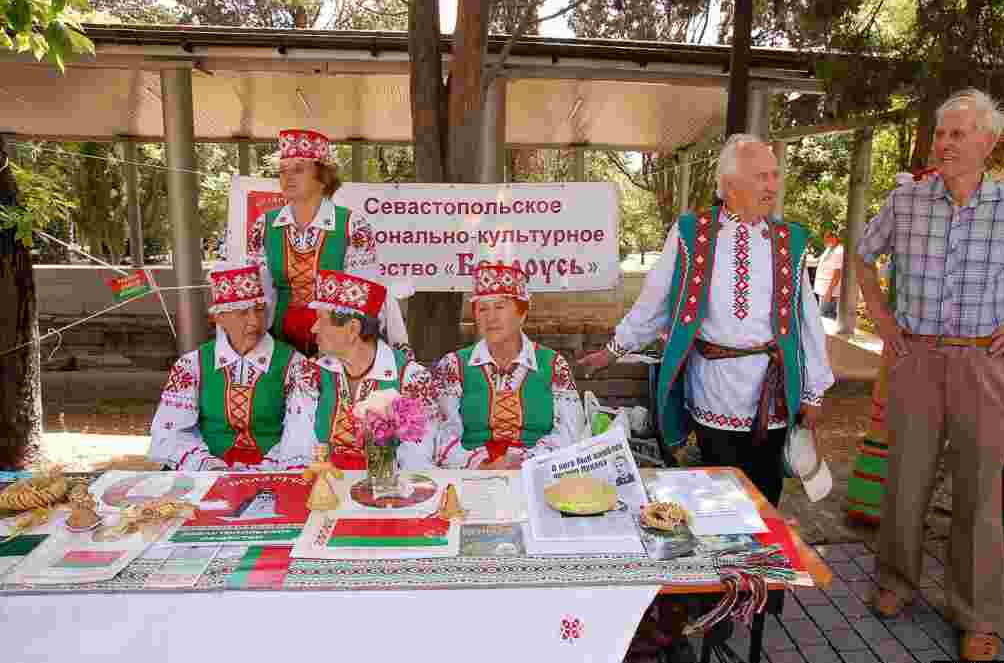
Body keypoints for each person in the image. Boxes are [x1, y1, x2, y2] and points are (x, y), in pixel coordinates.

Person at [855, 89, 1004, 662]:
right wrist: (881, 318)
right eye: (941, 133)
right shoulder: (906, 202)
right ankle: (896, 582)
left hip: (984, 363)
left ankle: (976, 614)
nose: (944, 143)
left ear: (987, 141)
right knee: (907, 481)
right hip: (917, 360)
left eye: (957, 133)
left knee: (979, 495)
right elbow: (862, 254)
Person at [580, 134, 834, 507]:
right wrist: (613, 350)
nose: (772, 185)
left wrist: (814, 391)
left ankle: (760, 562)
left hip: (774, 390)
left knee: (766, 493)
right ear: (730, 185)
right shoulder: (690, 233)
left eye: (774, 175)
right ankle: (725, 560)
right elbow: (656, 300)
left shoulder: (789, 240)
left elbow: (808, 320)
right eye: (761, 176)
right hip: (714, 388)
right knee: (720, 491)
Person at [247, 128, 410, 358]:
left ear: (323, 177)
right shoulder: (264, 225)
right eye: (283, 171)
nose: (287, 177)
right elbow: (258, 293)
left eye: (298, 169)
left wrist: (333, 352)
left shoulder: (352, 225)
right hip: (278, 344)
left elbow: (359, 299)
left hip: (340, 344)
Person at [262, 270, 440, 471]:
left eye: (322, 319)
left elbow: (417, 463)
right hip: (325, 490)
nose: (314, 328)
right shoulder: (310, 373)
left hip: (386, 494)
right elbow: (296, 452)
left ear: (353, 329)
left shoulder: (412, 378)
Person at [149, 261, 317, 471]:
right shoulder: (191, 366)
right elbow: (170, 431)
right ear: (219, 318)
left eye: (259, 310)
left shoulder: (297, 366)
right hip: (206, 477)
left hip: (273, 475)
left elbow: (301, 435)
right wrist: (207, 466)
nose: (254, 321)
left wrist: (260, 472)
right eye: (242, 313)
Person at [434, 262, 585, 469]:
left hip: (538, 473)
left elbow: (570, 433)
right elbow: (442, 436)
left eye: (500, 307)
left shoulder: (553, 364)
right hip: (472, 477)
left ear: (522, 313)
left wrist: (526, 462)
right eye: (482, 309)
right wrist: (479, 464)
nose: (491, 317)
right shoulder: (453, 365)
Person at [814, 231, 844, 319]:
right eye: (825, 237)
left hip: (829, 292)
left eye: (828, 237)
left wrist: (829, 292)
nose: (825, 240)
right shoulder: (829, 249)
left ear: (834, 237)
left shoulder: (839, 251)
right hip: (822, 290)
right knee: (823, 318)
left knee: (825, 318)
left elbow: (837, 273)